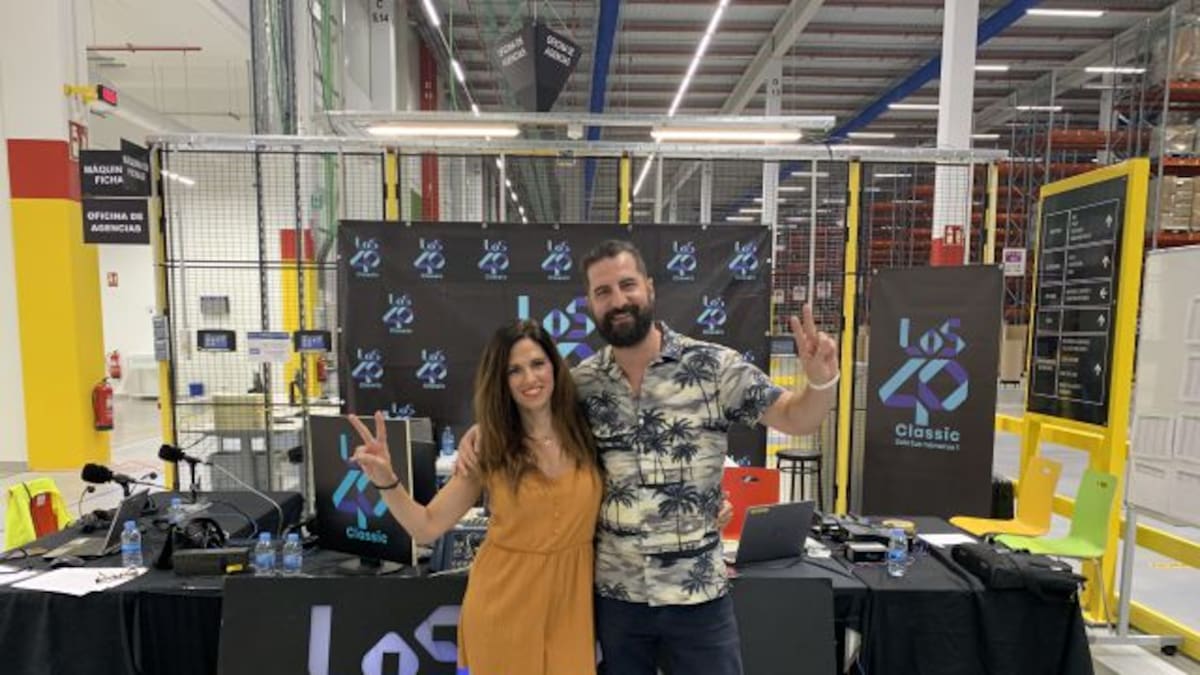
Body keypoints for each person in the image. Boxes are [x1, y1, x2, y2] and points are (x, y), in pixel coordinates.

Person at [460, 239, 839, 675]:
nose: (618, 300)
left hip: (698, 599)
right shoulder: (580, 385)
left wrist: (821, 383)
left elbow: (796, 417)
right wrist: (483, 430)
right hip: (618, 602)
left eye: (627, 285)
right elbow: (528, 415)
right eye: (603, 292)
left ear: (650, 288)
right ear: (590, 304)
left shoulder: (713, 367)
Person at [347, 319, 602, 675]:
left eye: (537, 364)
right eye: (514, 370)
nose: (529, 378)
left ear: (555, 367)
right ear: (501, 381)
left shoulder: (590, 431)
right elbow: (426, 526)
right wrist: (387, 481)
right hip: (504, 608)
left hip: (571, 609)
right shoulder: (488, 448)